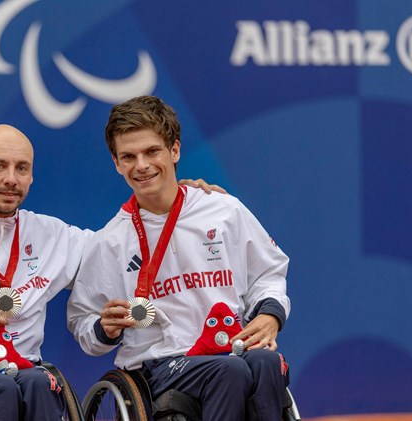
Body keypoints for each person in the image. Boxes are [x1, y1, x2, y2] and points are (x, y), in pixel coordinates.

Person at [0, 123, 224, 421]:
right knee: (3, 388)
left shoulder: (52, 236)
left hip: (23, 369)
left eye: (21, 168)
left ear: (31, 175)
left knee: (40, 383)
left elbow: (120, 244)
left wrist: (176, 198)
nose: (11, 179)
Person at [67, 96, 291, 421]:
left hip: (229, 345)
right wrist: (105, 328)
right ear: (116, 163)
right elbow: (82, 323)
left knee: (266, 362)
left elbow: (268, 274)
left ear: (174, 151)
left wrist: (270, 316)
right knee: (230, 371)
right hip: (160, 364)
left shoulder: (224, 210)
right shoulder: (110, 241)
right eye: (128, 156)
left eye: (152, 151)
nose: (141, 165)